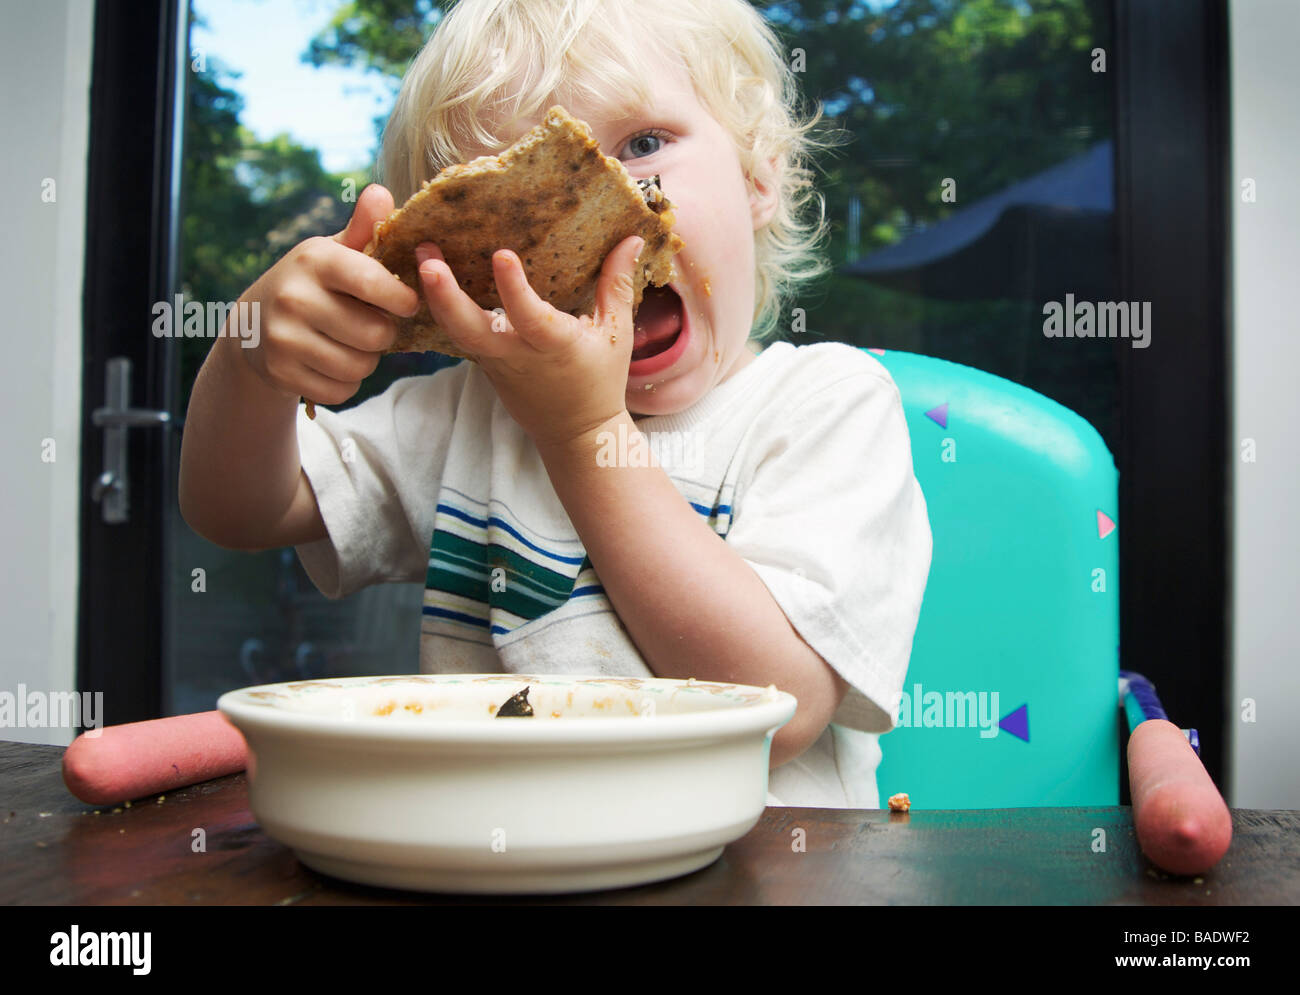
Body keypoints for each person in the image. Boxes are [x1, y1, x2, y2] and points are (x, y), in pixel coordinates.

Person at [179, 0, 932, 807]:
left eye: (644, 143)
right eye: (514, 192)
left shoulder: (828, 407)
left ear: (757, 174)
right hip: (491, 869)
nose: (596, 209)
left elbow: (775, 708)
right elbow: (241, 511)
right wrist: (250, 361)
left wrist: (581, 433)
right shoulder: (467, 414)